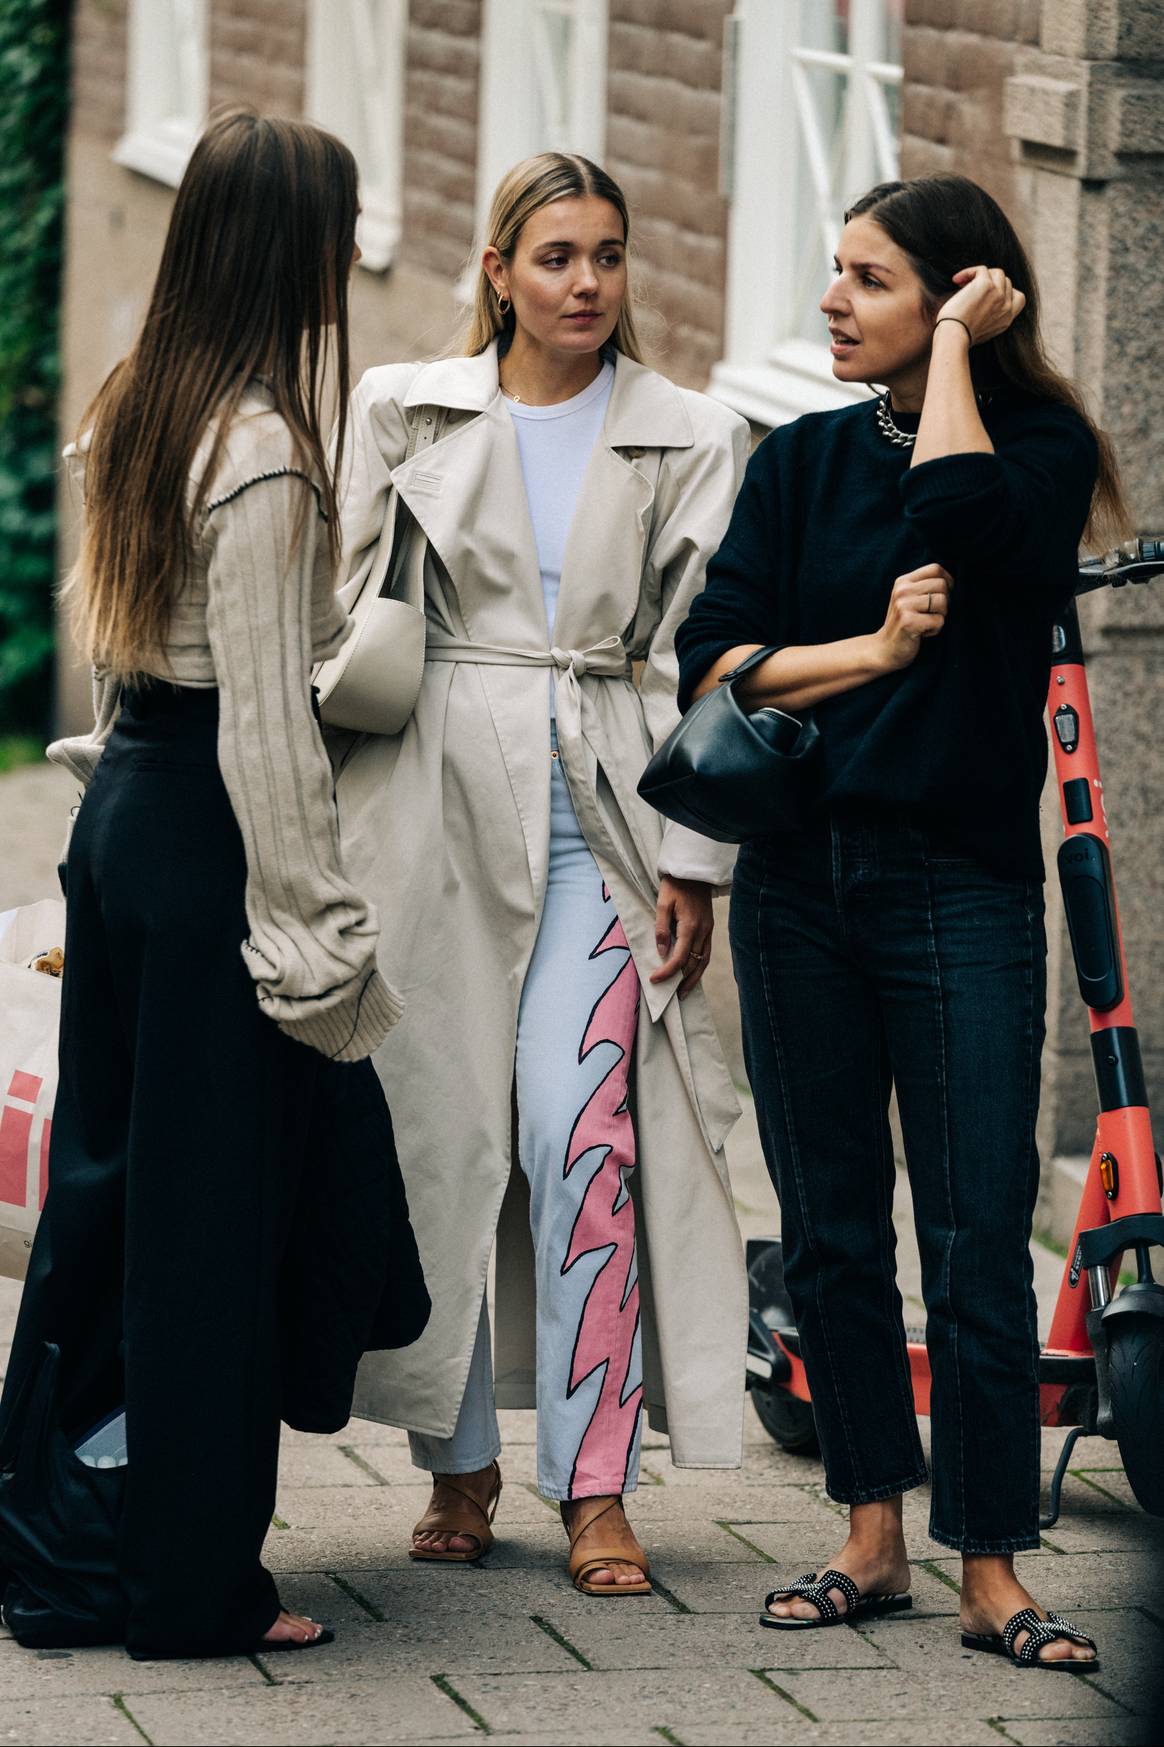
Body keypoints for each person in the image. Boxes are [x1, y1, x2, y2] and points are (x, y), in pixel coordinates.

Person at [676, 174, 1128, 1667]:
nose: (830, 301)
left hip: (959, 889)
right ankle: (871, 1531)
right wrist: (865, 651)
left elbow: (950, 503)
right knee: (827, 1231)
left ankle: (990, 1562)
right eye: (835, 272)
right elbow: (712, 659)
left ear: (956, 301)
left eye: (868, 279)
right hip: (800, 885)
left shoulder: (1042, 453)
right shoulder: (797, 461)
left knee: (977, 1231)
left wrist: (949, 367)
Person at [0, 109, 428, 1660]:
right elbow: (268, 727)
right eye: (339, 221)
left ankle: (61, 1531)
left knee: (110, 1203)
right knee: (209, 1227)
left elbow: (134, 662)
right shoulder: (258, 450)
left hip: (128, 821)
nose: (348, 249)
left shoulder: (142, 401)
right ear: (288, 245)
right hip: (204, 844)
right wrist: (319, 932)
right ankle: (190, 1587)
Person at [329, 152, 749, 1595]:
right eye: (557, 255)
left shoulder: (691, 433)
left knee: (584, 1141)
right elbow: (342, 612)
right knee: (444, 1132)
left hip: (608, 815)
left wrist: (697, 858)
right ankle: (455, 1466)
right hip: (437, 801)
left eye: (610, 256)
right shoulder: (406, 407)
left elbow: (714, 663)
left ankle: (594, 1486)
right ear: (498, 270)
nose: (586, 283)